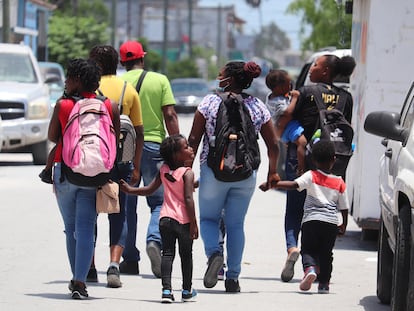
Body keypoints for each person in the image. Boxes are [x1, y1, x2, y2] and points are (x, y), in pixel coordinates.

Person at [188, 60, 280, 293]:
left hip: (213, 172)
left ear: (229, 78)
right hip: (246, 173)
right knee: (236, 223)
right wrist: (273, 172)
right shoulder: (257, 106)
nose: (219, 75)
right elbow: (274, 145)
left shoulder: (209, 102)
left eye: (222, 73)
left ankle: (215, 254)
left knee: (209, 219)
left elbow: (193, 140)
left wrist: (186, 170)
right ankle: (233, 278)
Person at [48, 58, 120, 299]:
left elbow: (52, 136)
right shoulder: (109, 105)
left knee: (71, 230)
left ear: (77, 80)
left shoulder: (64, 105)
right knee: (86, 228)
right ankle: (80, 280)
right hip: (95, 175)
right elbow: (114, 140)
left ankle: (77, 278)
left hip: (66, 171)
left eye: (69, 77)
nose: (66, 81)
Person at [280, 54, 356, 283]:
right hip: (331, 162)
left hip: (302, 158)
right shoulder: (346, 97)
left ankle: (293, 248)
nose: (311, 68)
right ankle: (318, 264)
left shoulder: (305, 92)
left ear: (325, 72)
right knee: (324, 210)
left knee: (295, 209)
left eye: (315, 65)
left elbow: (289, 120)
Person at [119, 40, 180, 278]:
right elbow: (170, 114)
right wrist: (177, 148)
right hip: (154, 144)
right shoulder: (160, 80)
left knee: (126, 205)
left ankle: (130, 258)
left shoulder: (117, 83)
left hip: (125, 147)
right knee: (158, 202)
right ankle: (154, 240)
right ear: (142, 59)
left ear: (123, 63)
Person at [88, 45, 144, 287]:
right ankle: (114, 264)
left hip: (91, 161)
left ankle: (89, 266)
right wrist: (137, 165)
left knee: (87, 213)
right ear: (117, 64)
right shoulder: (127, 90)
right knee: (118, 214)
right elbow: (139, 132)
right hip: (121, 160)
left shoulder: (88, 90)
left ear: (95, 65)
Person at [119, 134, 198, 303]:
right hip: (183, 220)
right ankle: (186, 290)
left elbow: (148, 190)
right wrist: (194, 224)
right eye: (186, 147)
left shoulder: (163, 170)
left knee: (167, 254)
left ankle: (167, 291)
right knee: (186, 255)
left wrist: (130, 190)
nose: (190, 149)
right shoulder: (187, 173)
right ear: (177, 155)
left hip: (165, 219)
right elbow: (189, 199)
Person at [265, 139, 349, 293]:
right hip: (330, 223)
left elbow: (294, 185)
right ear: (334, 160)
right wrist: (344, 224)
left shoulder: (311, 175)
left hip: (311, 221)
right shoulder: (339, 181)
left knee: (308, 250)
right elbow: (344, 206)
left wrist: (273, 184)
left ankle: (309, 269)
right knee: (326, 254)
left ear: (314, 160)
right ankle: (324, 284)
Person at [264, 69, 306, 177]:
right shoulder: (278, 101)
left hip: (281, 129)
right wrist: (295, 98)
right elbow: (288, 112)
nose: (291, 86)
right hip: (287, 127)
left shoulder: (271, 96)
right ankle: (302, 167)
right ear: (280, 87)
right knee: (302, 143)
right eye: (289, 84)